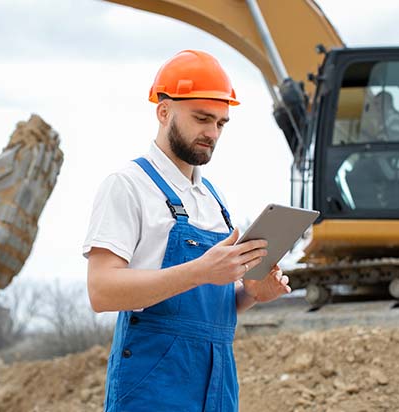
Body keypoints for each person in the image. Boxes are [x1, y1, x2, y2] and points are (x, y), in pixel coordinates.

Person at [83, 50, 291, 412]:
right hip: (154, 387)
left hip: (217, 384)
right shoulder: (128, 186)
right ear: (163, 111)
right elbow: (101, 291)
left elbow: (202, 311)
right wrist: (201, 270)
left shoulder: (214, 200)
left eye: (221, 123)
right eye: (201, 118)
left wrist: (252, 293)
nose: (212, 133)